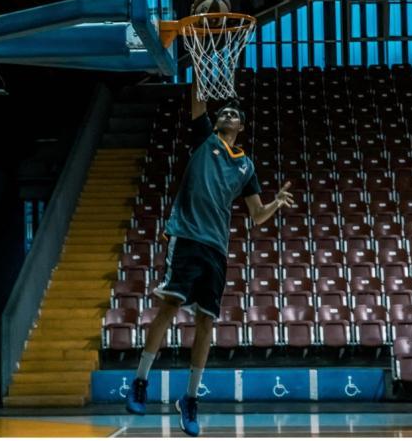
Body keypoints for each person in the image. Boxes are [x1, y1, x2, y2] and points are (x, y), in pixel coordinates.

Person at [125, 79, 294, 437]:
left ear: (242, 127)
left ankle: (189, 399)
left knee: (206, 323)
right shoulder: (205, 139)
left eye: (234, 113)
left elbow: (257, 215)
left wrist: (276, 203)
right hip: (187, 236)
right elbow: (198, 102)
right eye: (224, 112)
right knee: (169, 306)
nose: (227, 114)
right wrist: (202, 68)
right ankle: (140, 381)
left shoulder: (246, 166)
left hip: (216, 248)